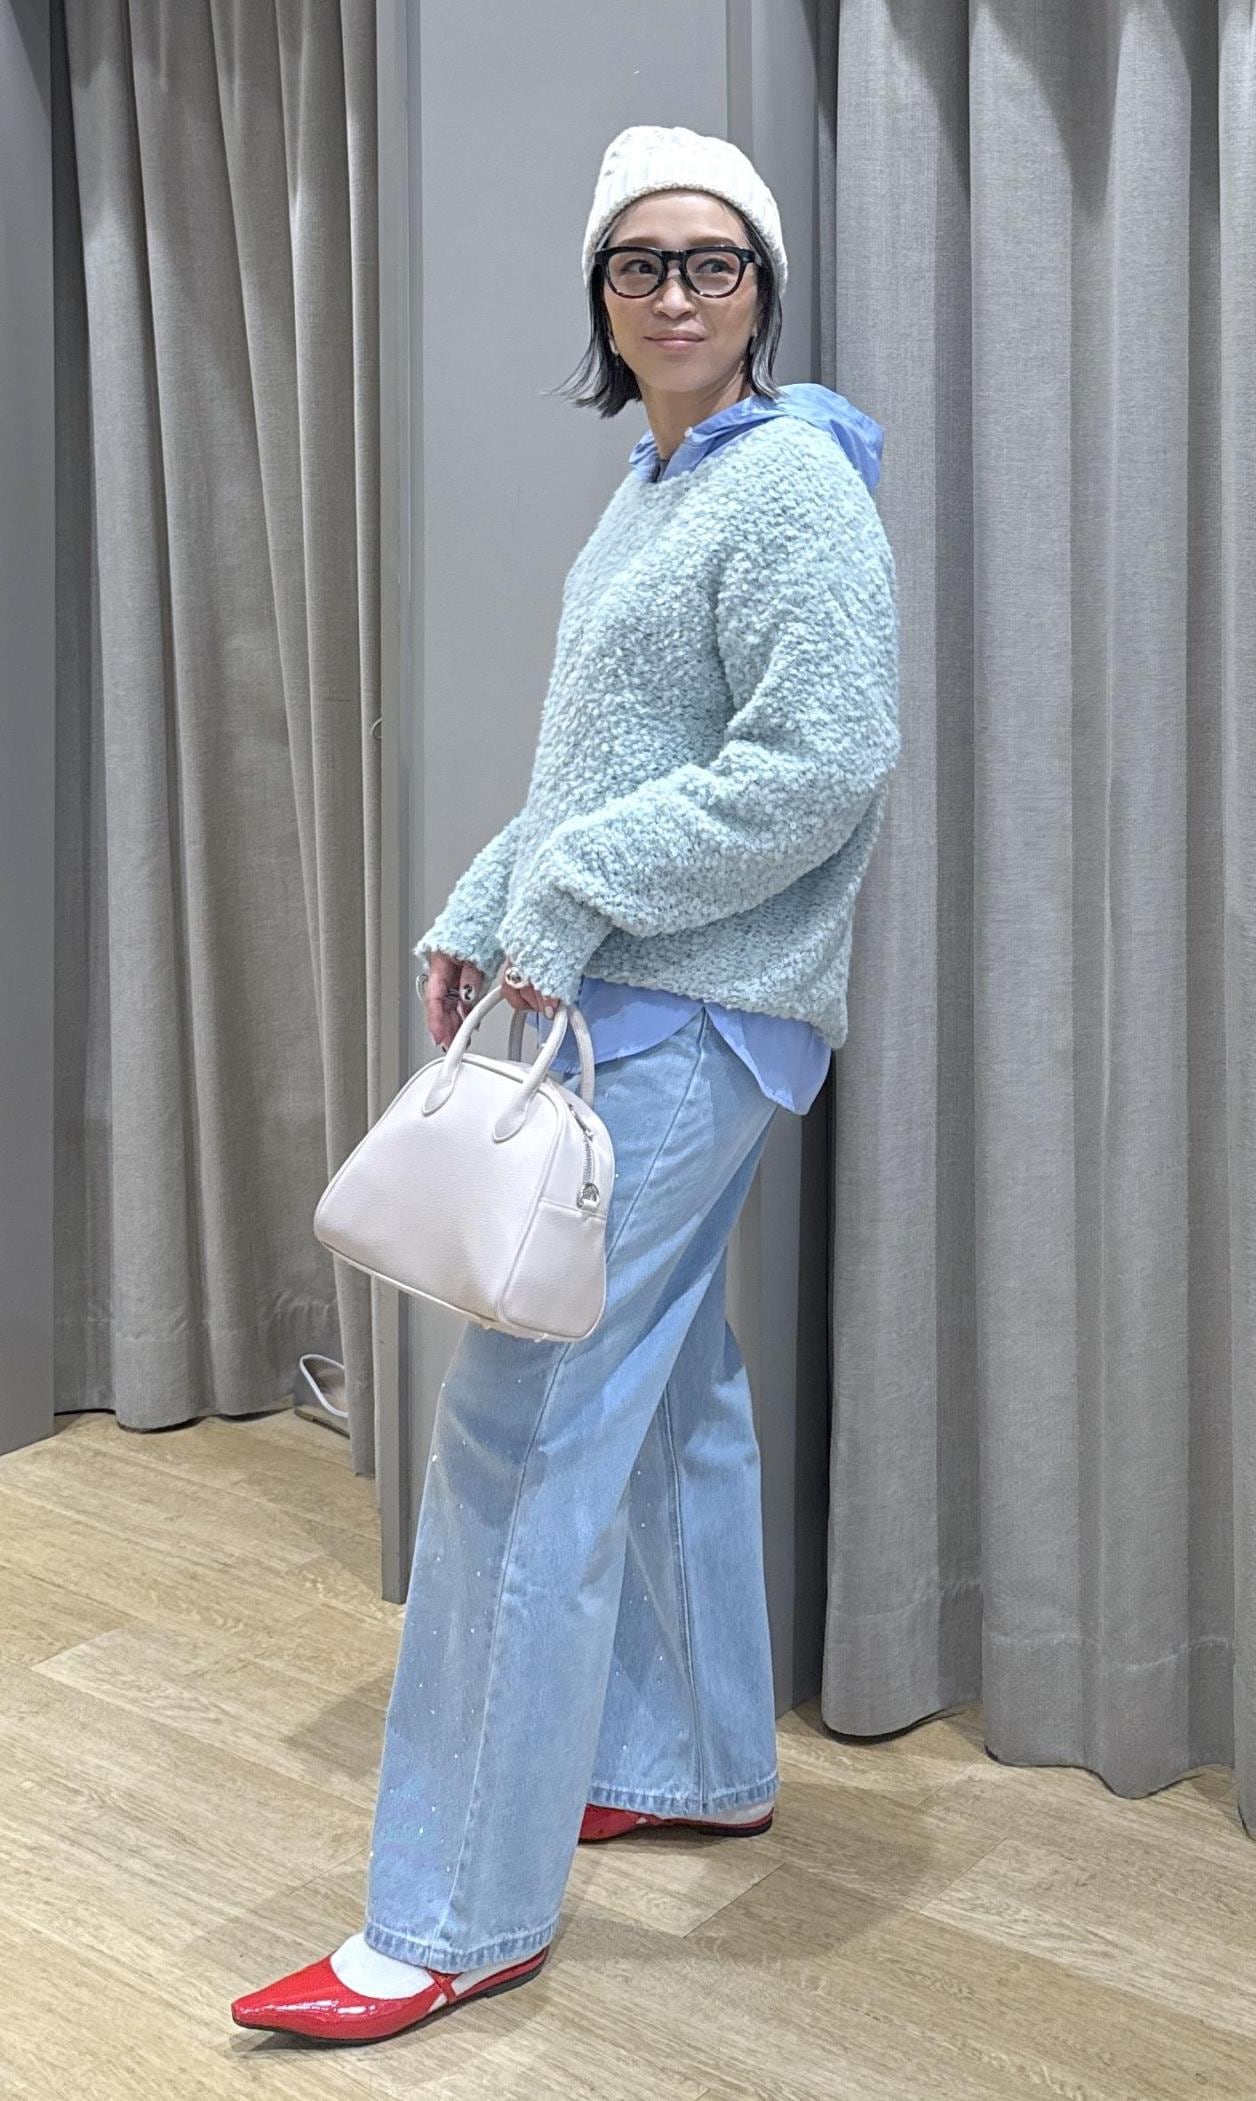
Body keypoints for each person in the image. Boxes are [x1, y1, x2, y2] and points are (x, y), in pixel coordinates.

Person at [231, 121, 901, 2046]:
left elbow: (825, 761)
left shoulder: (790, 487)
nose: (675, 294)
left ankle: (451, 1911)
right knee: (667, 1386)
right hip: (644, 998)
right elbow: (605, 759)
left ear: (763, 291)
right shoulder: (656, 484)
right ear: (602, 298)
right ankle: (695, 1756)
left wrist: (582, 888)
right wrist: (488, 898)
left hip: (693, 1010)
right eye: (639, 264)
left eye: (712, 262)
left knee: (519, 1435)